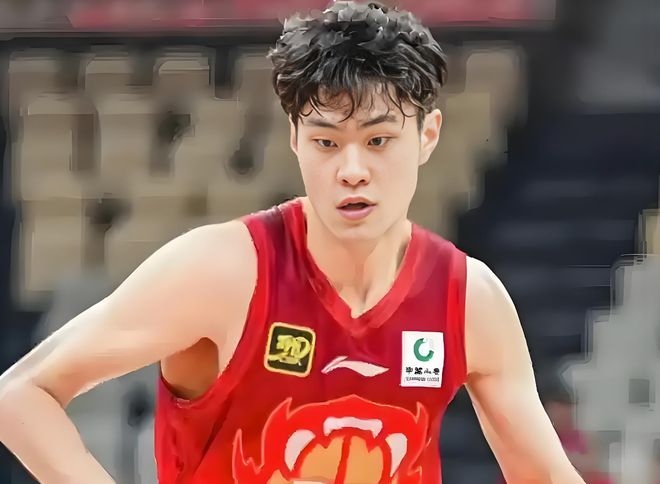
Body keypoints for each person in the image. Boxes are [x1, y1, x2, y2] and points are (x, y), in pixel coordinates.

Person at [0, 2, 585, 483]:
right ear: (295, 138)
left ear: (427, 134)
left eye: (378, 141)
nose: (352, 170)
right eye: (327, 142)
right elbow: (21, 394)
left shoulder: (468, 297)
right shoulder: (222, 270)